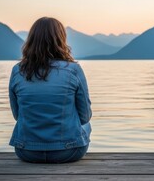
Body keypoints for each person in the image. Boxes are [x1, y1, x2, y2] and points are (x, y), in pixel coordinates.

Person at [8, 17, 92, 163]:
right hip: (68, 151)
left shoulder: (17, 71)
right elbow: (85, 116)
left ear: (31, 40)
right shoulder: (73, 70)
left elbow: (17, 115)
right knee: (87, 126)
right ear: (61, 39)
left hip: (26, 151)